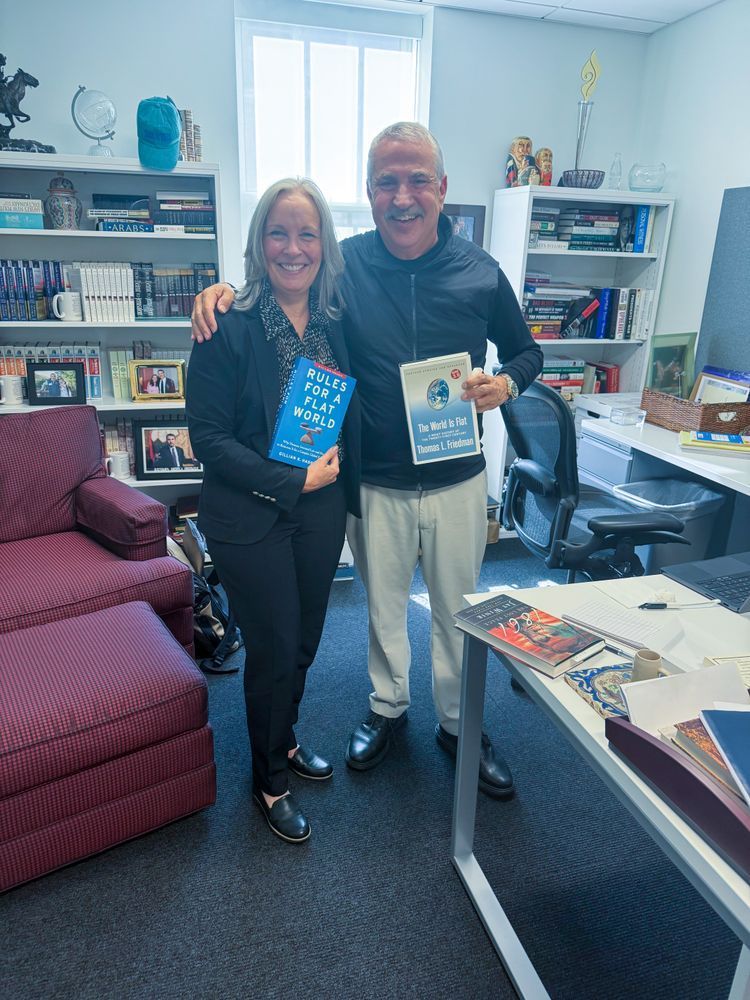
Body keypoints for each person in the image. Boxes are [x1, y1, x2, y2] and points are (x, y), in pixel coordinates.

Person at [191, 122, 542, 801]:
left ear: (442, 188)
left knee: (460, 612)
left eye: (417, 180)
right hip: (373, 481)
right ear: (371, 192)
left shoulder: (481, 271)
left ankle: (460, 724)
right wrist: (221, 292)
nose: (402, 196)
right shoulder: (343, 266)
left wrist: (508, 384)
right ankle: (387, 709)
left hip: (458, 477)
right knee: (382, 611)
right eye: (387, 182)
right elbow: (283, 276)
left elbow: (528, 351)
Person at [186, 177, 361, 844]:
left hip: (321, 510)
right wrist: (293, 480)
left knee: (306, 638)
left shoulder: (336, 323)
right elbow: (209, 441)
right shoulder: (225, 324)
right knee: (274, 646)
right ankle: (269, 781)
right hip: (250, 515)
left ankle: (282, 738)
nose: (293, 248)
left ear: (325, 245)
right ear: (260, 243)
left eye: (307, 234)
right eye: (278, 233)